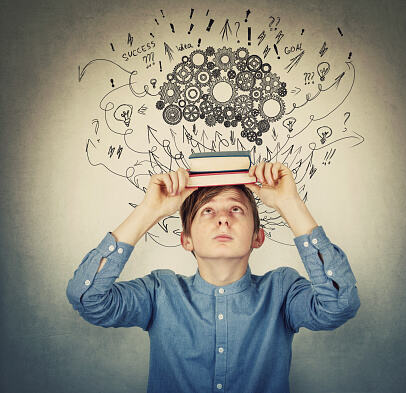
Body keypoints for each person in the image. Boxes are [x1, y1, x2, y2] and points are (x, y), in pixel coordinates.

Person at [66, 162, 360, 393]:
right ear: (186, 239)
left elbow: (339, 304)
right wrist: (149, 210)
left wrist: (289, 203)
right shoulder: (159, 291)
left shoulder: (282, 290)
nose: (223, 218)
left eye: (236, 209)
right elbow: (88, 298)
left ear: (258, 237)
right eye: (207, 211)